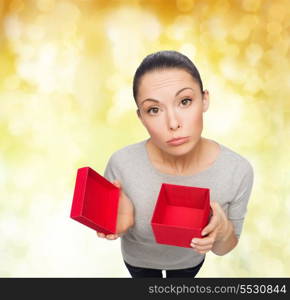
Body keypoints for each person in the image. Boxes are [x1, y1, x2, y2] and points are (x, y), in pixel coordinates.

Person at [96, 50, 254, 278]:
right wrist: (116, 223)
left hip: (188, 263)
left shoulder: (237, 171)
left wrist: (222, 231)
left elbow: (225, 247)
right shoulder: (121, 164)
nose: (173, 123)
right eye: (154, 110)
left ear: (205, 100)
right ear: (141, 116)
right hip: (138, 261)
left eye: (185, 101)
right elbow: (108, 222)